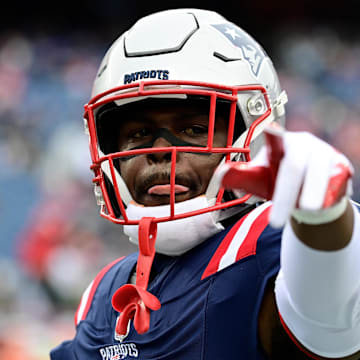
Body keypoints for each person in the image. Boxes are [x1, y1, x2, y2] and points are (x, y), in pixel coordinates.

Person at [50, 8, 360, 360]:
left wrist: (326, 221)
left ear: (255, 136)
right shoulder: (102, 295)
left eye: (194, 130)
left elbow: (335, 320)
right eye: (138, 134)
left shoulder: (269, 247)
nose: (162, 151)